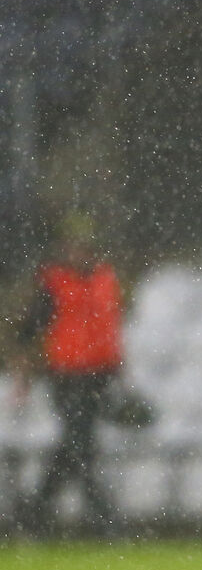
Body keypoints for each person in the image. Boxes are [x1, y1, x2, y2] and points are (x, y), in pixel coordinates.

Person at [14, 213, 122, 535]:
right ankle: (102, 515)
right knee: (80, 441)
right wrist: (24, 374)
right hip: (67, 374)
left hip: (100, 374)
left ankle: (36, 510)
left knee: (76, 443)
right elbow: (30, 329)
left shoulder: (105, 279)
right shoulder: (54, 284)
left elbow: (111, 326)